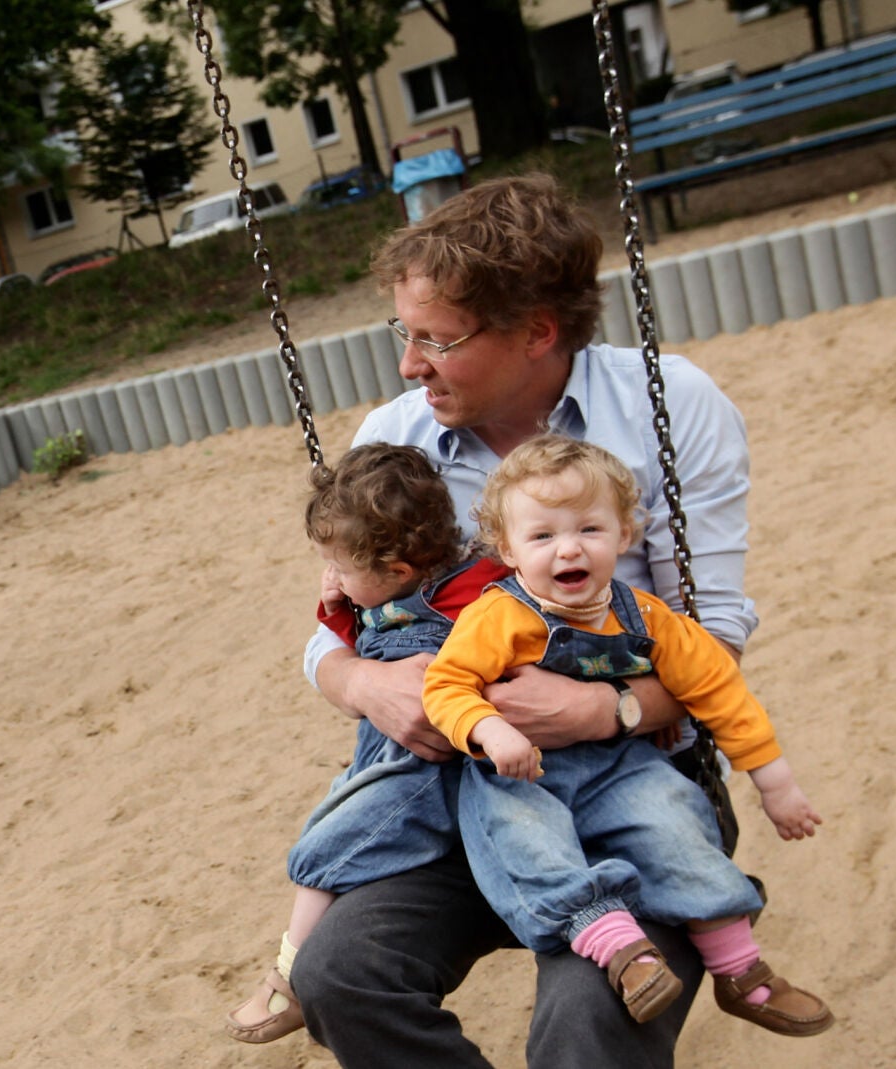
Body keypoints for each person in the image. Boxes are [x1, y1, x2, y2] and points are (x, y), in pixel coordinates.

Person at [291, 173, 757, 1067]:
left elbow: (716, 632)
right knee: (340, 973)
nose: (410, 364)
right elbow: (333, 632)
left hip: (633, 785)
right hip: (460, 796)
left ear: (538, 331)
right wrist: (368, 685)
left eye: (438, 339)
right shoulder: (398, 438)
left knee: (587, 1022)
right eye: (404, 333)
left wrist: (606, 710)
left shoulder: (668, 405)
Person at [425, 434, 831, 1036]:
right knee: (522, 840)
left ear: (623, 535)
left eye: (589, 529)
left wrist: (776, 784)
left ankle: (739, 968)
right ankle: (621, 949)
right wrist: (488, 728)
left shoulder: (647, 617)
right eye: (542, 536)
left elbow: (719, 689)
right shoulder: (496, 617)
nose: (569, 548)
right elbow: (445, 685)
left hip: (619, 765)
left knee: (677, 821)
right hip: (521, 772)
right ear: (508, 550)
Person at [227, 443, 511, 1044]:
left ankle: (289, 974)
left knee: (320, 852)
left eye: (340, 569)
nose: (332, 578)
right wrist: (338, 609)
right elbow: (363, 639)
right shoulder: (390, 591)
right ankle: (304, 966)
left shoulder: (480, 593)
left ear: (399, 571)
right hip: (381, 759)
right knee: (335, 820)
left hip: (430, 772)